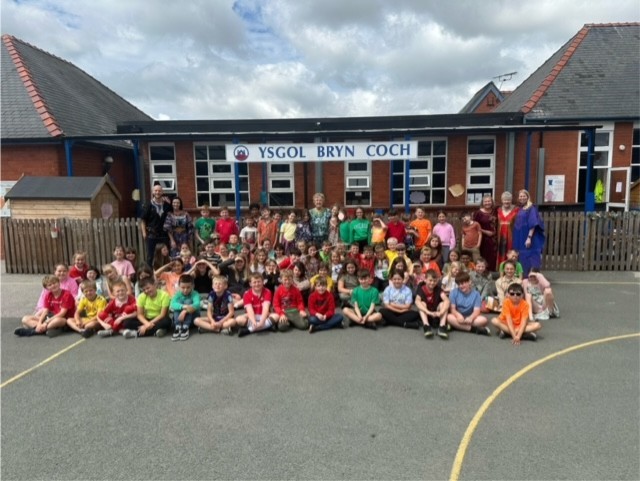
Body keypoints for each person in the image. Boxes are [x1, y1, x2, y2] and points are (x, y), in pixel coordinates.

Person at [447, 272, 491, 336]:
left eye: (463, 283)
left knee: (483, 320)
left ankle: (456, 326)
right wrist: (458, 315)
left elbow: (477, 311)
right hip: (458, 316)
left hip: (470, 317)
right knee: (449, 317)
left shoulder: (476, 294)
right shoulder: (453, 292)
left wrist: (471, 317)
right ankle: (473, 329)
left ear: (469, 282)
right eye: (459, 284)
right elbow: (452, 309)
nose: (461, 286)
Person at [513, 189, 545, 276]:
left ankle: (532, 276)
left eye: (524, 196)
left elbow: (533, 223)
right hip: (519, 236)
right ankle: (522, 276)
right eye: (520, 196)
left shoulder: (531, 208)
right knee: (521, 255)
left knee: (530, 255)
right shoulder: (520, 208)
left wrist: (529, 238)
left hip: (528, 236)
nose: (522, 198)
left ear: (528, 197)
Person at [140, 183, 171, 268]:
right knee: (151, 256)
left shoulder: (167, 205)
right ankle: (150, 274)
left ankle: (166, 272)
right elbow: (143, 220)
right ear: (153, 192)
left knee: (166, 254)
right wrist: (144, 233)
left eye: (159, 191)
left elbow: (171, 216)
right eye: (156, 191)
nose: (158, 192)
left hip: (164, 234)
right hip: (152, 235)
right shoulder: (148, 205)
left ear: (162, 192)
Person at [415, 269, 450, 339]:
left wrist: (441, 312)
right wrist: (428, 312)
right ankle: (426, 326)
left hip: (436, 314)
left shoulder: (438, 289)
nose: (432, 283)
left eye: (434, 281)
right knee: (422, 303)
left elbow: (447, 300)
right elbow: (417, 301)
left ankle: (442, 326)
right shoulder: (421, 287)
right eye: (430, 280)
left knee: (443, 303)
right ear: (425, 280)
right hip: (426, 313)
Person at [236, 273, 274, 337]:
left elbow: (266, 308)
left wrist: (262, 321)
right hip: (252, 315)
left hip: (264, 314)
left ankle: (249, 330)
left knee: (276, 316)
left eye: (259, 282)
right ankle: (266, 326)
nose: (257, 284)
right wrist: (253, 322)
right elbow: (249, 310)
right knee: (238, 319)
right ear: (250, 284)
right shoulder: (246, 294)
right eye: (254, 282)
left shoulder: (267, 292)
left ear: (263, 282)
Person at [169, 274, 201, 341]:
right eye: (183, 287)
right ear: (179, 287)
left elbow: (197, 304)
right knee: (179, 302)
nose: (185, 290)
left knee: (188, 301)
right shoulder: (177, 294)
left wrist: (185, 311)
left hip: (193, 318)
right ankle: (178, 327)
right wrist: (182, 307)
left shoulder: (195, 294)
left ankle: (185, 327)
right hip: (179, 319)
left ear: (192, 286)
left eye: (188, 287)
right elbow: (172, 304)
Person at [473, 194, 498, 270]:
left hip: (494, 239)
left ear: (492, 202)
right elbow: (474, 226)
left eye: (489, 201)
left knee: (493, 256)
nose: (487, 203)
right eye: (485, 201)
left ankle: (493, 272)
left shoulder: (495, 211)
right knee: (484, 255)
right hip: (483, 238)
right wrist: (485, 232)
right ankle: (483, 271)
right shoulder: (478, 213)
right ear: (482, 203)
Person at [496, 191, 519, 269]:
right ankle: (502, 269)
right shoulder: (498, 210)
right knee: (501, 251)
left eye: (508, 200)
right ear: (502, 200)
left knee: (510, 251)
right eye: (505, 200)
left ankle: (512, 269)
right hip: (500, 235)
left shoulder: (516, 209)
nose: (506, 201)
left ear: (511, 200)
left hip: (511, 234)